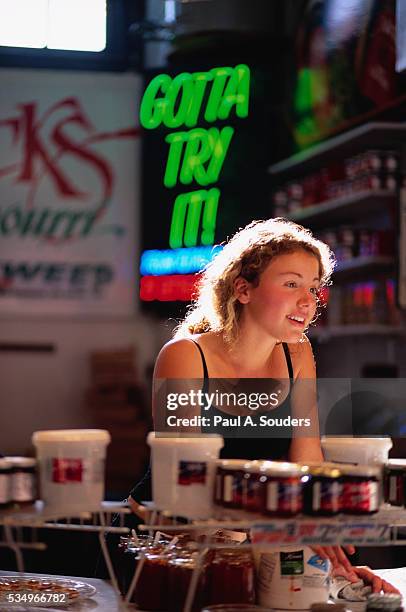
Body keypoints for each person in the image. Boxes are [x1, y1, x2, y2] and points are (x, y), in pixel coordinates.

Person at [129, 218, 398, 594]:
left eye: (314, 287)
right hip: (164, 543)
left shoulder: (298, 353)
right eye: (291, 284)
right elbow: (186, 480)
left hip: (248, 544)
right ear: (243, 289)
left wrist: (334, 566)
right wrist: (285, 530)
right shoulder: (184, 356)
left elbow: (306, 459)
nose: (308, 300)